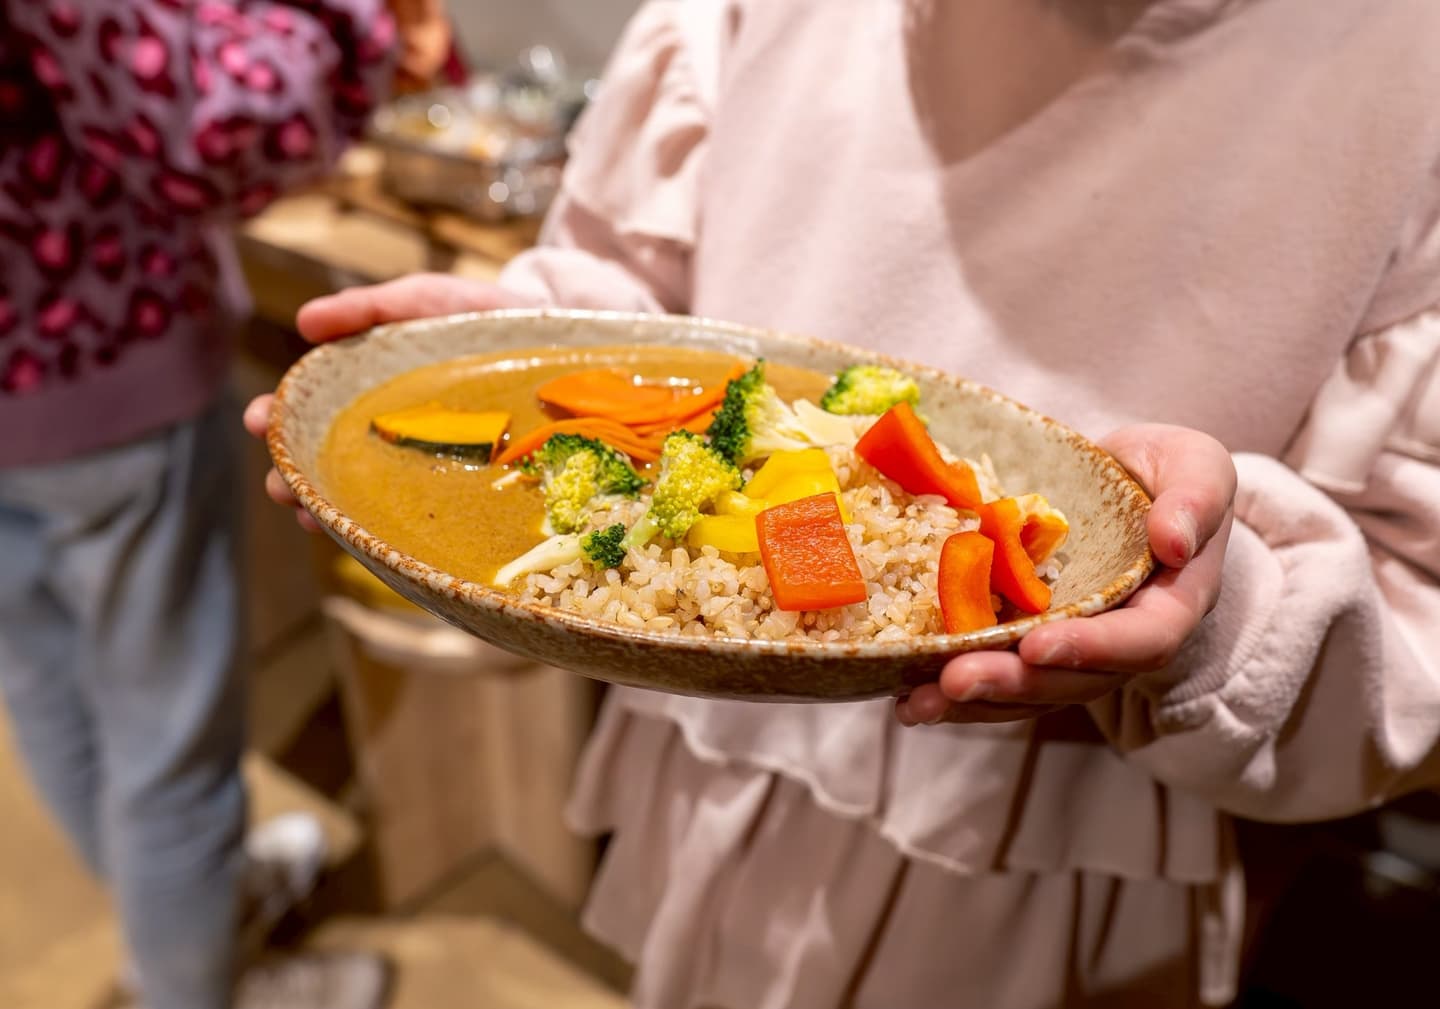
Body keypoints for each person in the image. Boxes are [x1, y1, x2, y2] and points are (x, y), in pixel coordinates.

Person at [247, 1, 1440, 1006]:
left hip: (1048, 867)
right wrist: (538, 340)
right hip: (711, 759)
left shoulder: (1404, 81)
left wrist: (1210, 619)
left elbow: (1414, 644)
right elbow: (643, 274)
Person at [0, 2, 443, 1008]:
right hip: (102, 371)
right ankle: (192, 982)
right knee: (170, 740)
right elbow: (212, 127)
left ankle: (188, 913)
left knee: (51, 688)